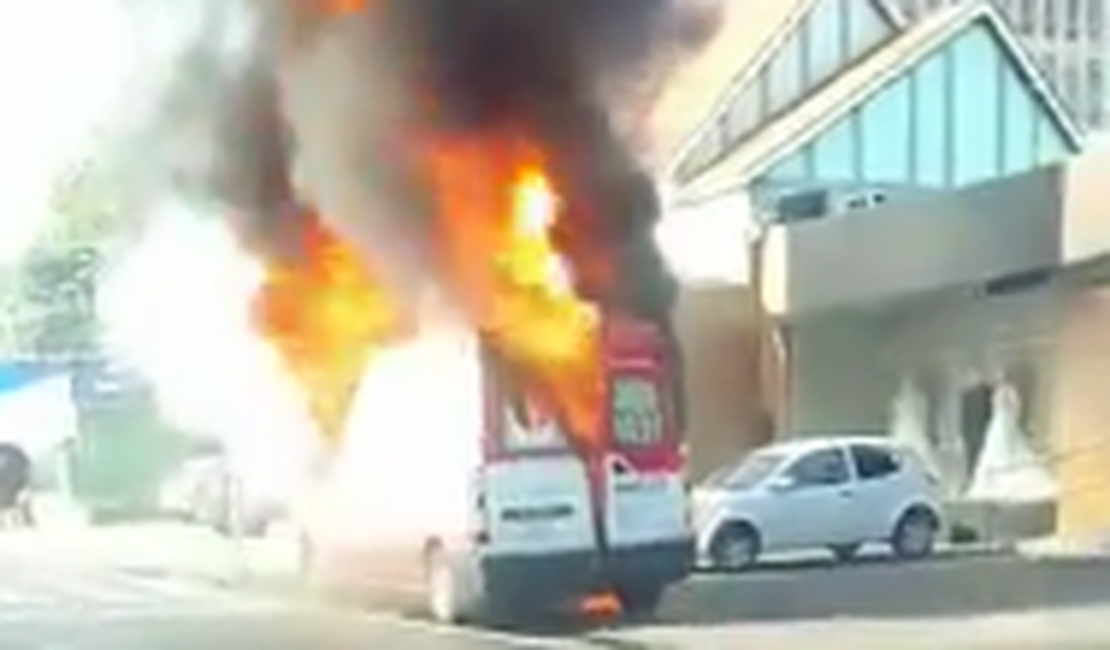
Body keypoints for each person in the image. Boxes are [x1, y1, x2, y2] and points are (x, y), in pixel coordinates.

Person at [0, 443, 32, 527]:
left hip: (12, 487)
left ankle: (26, 518)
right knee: (23, 498)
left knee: (23, 498)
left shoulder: (13, 455)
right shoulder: (14, 455)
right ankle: (26, 518)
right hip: (12, 487)